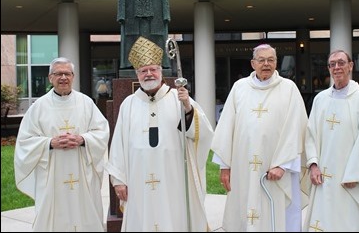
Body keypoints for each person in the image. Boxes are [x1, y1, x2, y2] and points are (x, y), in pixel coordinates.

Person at [105, 36, 214, 231]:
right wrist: (119, 180)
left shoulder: (178, 98)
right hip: (138, 179)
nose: (148, 74)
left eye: (153, 69)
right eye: (143, 71)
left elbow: (201, 133)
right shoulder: (129, 104)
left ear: (160, 72)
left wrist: (188, 107)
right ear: (137, 74)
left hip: (174, 177)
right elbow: (118, 144)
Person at [210, 44, 308, 231]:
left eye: (271, 60)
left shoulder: (289, 89)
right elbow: (226, 128)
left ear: (276, 63)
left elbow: (296, 128)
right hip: (242, 168)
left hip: (277, 169)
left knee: (279, 214)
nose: (266, 64)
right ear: (253, 63)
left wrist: (283, 165)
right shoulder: (239, 88)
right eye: (261, 60)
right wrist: (225, 166)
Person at [302, 50, 359, 231]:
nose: (337, 67)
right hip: (323, 177)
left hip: (351, 178)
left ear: (350, 66)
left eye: (341, 63)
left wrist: (357, 174)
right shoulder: (320, 99)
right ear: (329, 68)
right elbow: (310, 134)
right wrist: (313, 165)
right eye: (332, 64)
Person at [14, 57, 110, 231]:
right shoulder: (39, 106)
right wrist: (50, 142)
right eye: (58, 74)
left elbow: (102, 131)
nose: (63, 77)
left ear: (73, 76)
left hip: (82, 171)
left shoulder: (86, 103)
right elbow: (25, 141)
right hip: (52, 173)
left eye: (67, 73)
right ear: (50, 77)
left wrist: (83, 139)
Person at [117, 0, 170, 69]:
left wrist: (166, 15)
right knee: (131, 39)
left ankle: (159, 64)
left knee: (157, 38)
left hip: (156, 15)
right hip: (132, 14)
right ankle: (129, 64)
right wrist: (121, 15)